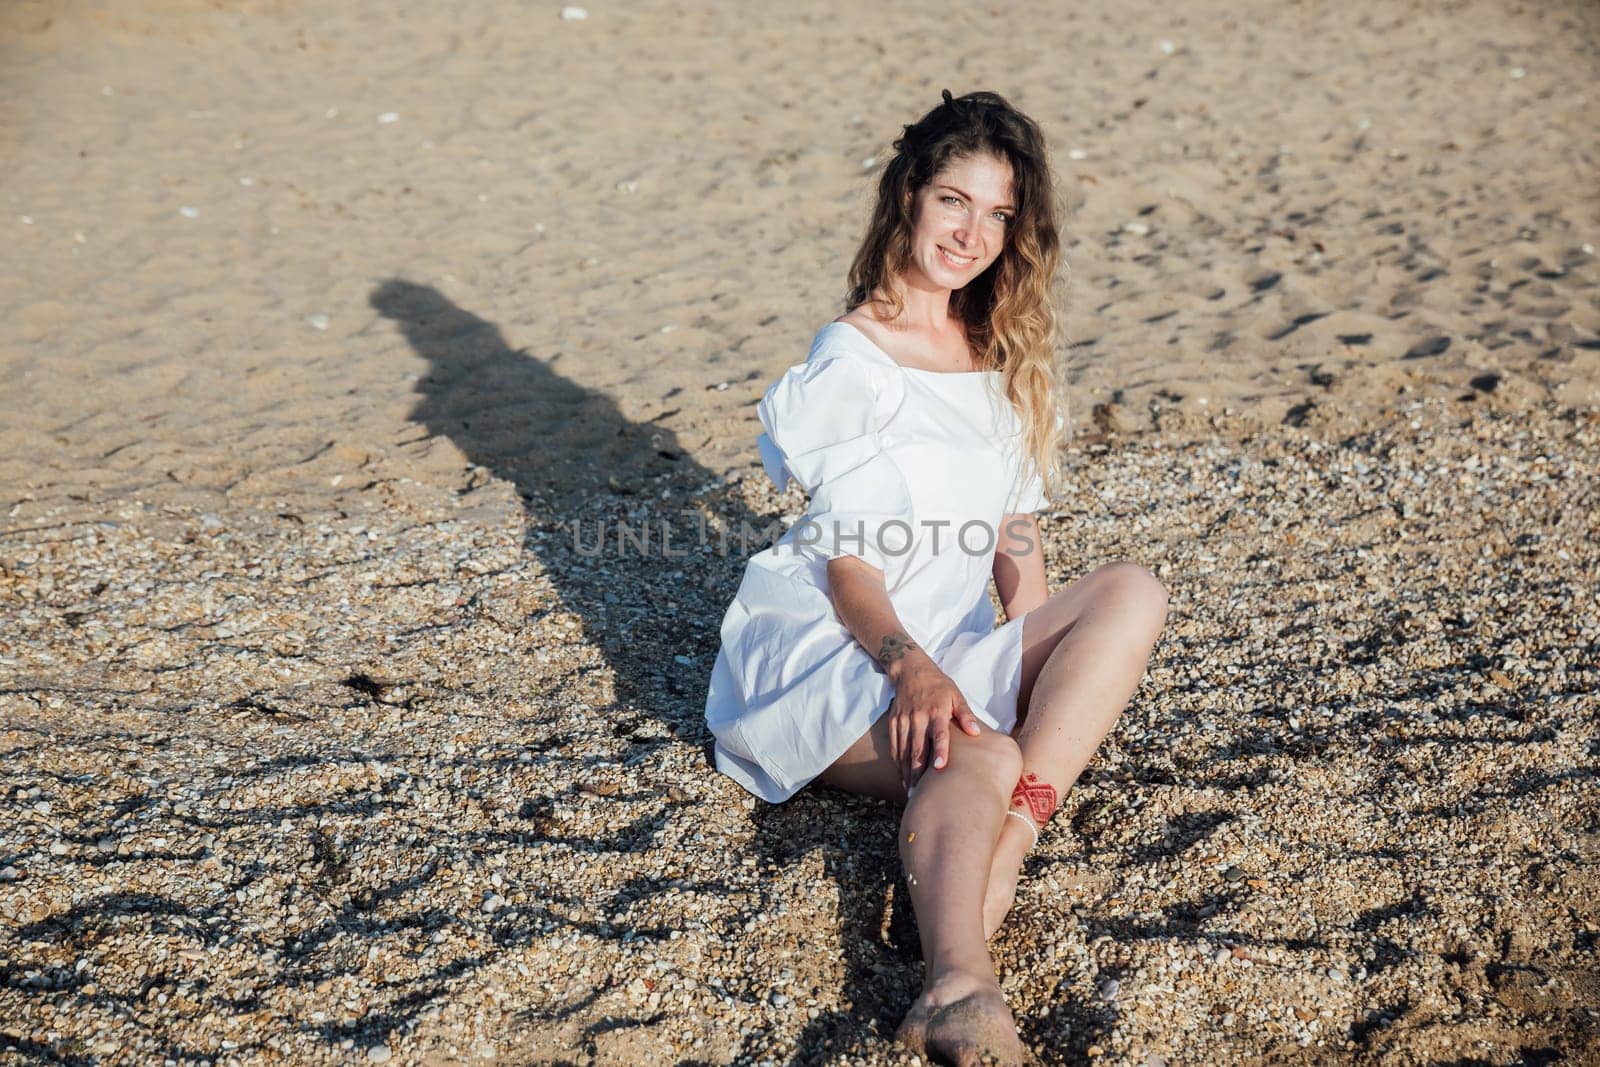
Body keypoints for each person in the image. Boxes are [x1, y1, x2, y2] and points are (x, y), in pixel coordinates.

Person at [703, 90, 1168, 1065]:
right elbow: (846, 569)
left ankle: (1013, 838)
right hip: (842, 648)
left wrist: (1025, 645)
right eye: (955, 200)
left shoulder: (991, 350)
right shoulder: (850, 360)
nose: (973, 232)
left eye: (998, 213)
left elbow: (1014, 527)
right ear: (908, 195)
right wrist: (915, 669)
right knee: (984, 754)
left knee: (1131, 590)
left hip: (946, 640)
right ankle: (957, 979)